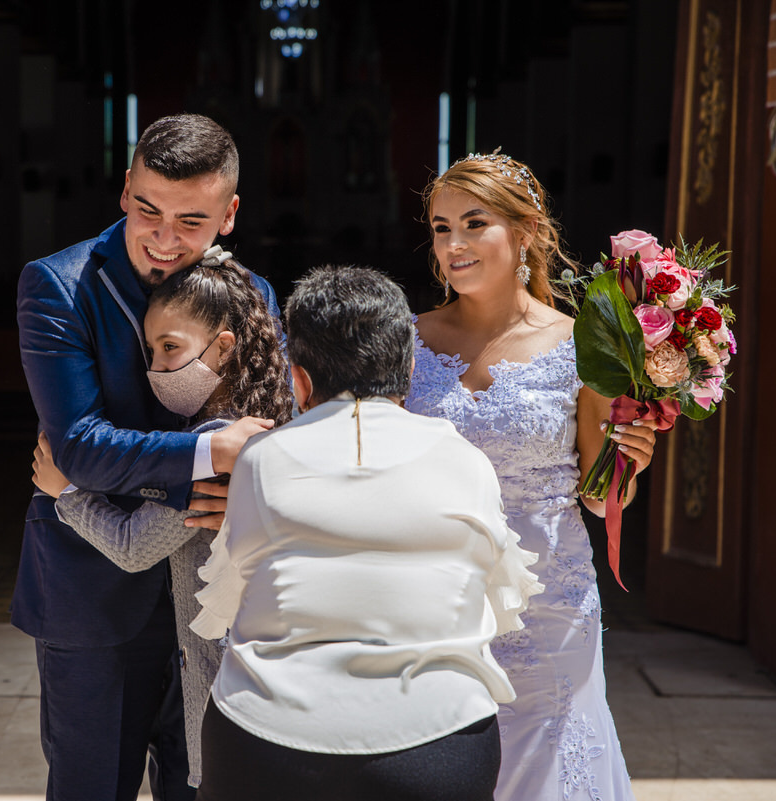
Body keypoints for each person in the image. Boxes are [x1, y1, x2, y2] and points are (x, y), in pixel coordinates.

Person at [190, 266, 544, 801]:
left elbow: (229, 601)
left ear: (300, 379)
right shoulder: (466, 460)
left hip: (269, 740)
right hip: (440, 744)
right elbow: (497, 604)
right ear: (407, 370)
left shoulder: (261, 460)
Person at [13, 113, 279, 801]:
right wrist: (211, 451)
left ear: (229, 215)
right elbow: (77, 447)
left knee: (205, 784)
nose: (164, 239)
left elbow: (274, 434)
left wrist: (247, 479)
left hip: (215, 599)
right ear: (125, 187)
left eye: (191, 221)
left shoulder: (255, 297)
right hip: (91, 593)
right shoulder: (57, 286)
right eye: (147, 209)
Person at [405, 151, 658, 801]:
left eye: (473, 223)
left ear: (525, 231)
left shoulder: (583, 346)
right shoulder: (407, 341)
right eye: (440, 227)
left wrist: (631, 459)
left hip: (551, 604)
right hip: (436, 601)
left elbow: (602, 500)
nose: (453, 244)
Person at [31, 255, 293, 789]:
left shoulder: (221, 438)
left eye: (169, 349)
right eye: (150, 352)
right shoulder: (267, 421)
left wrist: (68, 492)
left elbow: (133, 546)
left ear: (224, 346)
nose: (156, 368)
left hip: (221, 668)